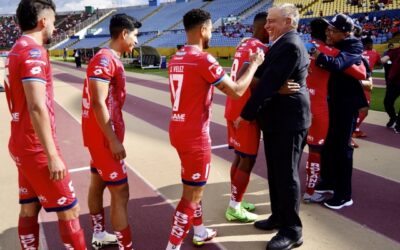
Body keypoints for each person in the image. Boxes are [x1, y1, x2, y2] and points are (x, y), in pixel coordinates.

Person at [166, 8, 264, 250]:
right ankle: (172, 246)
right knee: (192, 195)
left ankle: (199, 231)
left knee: (191, 185)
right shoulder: (203, 59)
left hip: (177, 129)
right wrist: (254, 65)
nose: (212, 34)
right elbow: (237, 90)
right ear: (203, 30)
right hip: (195, 136)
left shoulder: (176, 57)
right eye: (211, 29)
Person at [3, 0, 86, 249]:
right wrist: (52, 155)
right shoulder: (33, 52)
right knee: (70, 211)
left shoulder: (16, 48)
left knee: (29, 207)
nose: (54, 29)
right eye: (53, 21)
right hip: (36, 146)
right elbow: (36, 105)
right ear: (44, 21)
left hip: (20, 142)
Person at [239, 4, 310, 250]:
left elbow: (267, 83)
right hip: (277, 119)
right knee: (276, 171)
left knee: (287, 175)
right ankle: (279, 216)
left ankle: (292, 230)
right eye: (267, 21)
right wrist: (264, 79)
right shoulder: (281, 43)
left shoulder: (290, 44)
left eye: (272, 21)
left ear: (288, 21)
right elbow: (266, 79)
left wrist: (245, 115)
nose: (266, 25)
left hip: (289, 121)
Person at [81, 13, 142, 250]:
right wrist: (113, 140)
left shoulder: (108, 58)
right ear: (124, 34)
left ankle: (98, 233)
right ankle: (125, 247)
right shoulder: (105, 60)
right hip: (104, 138)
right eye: (134, 36)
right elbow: (98, 102)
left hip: (100, 135)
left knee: (98, 183)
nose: (136, 41)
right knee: (121, 192)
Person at [304, 18, 367, 203]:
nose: (328, 34)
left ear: (346, 33)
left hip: (346, 104)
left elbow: (341, 65)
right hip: (332, 102)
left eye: (333, 31)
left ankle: (343, 194)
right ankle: (329, 181)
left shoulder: (353, 45)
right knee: (330, 145)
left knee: (342, 148)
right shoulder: (336, 45)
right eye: (328, 30)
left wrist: (318, 53)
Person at [224, 12, 269, 223]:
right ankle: (234, 207)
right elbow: (248, 77)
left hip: (232, 106)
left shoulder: (243, 44)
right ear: (265, 28)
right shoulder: (262, 49)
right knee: (248, 159)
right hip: (245, 111)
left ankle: (236, 201)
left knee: (239, 156)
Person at [353, 37, 381, 138]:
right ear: (369, 44)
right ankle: (354, 130)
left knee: (354, 106)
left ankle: (354, 128)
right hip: (365, 81)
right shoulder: (374, 53)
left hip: (353, 80)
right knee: (364, 108)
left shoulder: (356, 52)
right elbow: (380, 63)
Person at [381, 45, 400, 133]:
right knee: (387, 102)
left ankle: (399, 124)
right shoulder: (396, 51)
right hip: (394, 82)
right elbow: (384, 59)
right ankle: (393, 117)